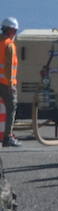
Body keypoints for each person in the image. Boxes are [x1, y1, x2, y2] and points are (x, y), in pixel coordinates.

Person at [0, 17, 19, 147]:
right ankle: (8, 137)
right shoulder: (9, 45)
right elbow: (8, 66)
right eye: (15, 30)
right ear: (11, 30)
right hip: (6, 83)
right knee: (11, 108)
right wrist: (11, 84)